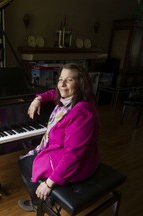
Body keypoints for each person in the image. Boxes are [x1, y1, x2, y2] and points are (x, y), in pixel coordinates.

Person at [18, 63, 100, 212]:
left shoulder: (81, 113)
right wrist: (39, 99)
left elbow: (73, 156)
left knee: (25, 163)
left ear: (80, 83)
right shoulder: (70, 99)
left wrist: (49, 183)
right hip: (61, 151)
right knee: (27, 159)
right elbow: (53, 93)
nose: (62, 84)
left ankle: (39, 203)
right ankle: (41, 198)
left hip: (78, 165)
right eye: (60, 79)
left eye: (69, 80)